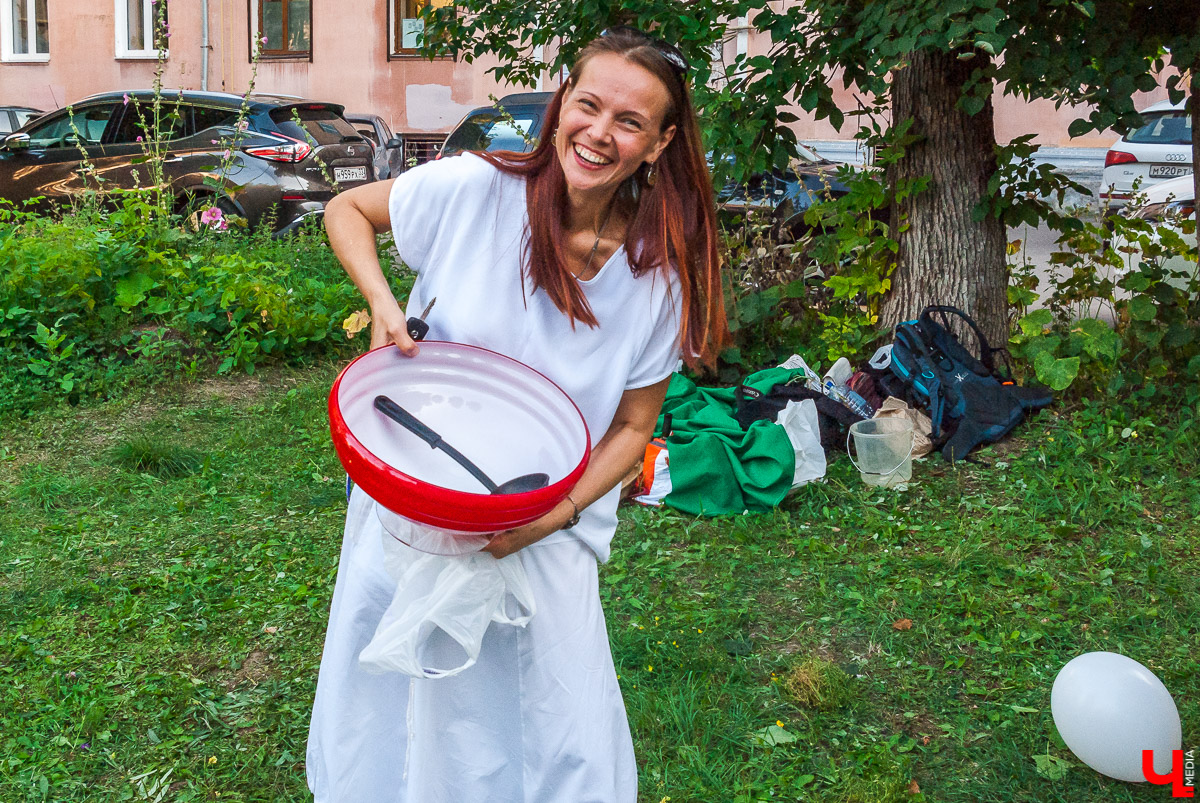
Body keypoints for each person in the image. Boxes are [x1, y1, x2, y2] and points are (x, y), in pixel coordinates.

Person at [306, 27, 728, 803]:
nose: (599, 132)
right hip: (414, 501)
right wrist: (381, 303)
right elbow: (346, 211)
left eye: (629, 121)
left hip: (541, 527)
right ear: (562, 101)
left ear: (661, 143)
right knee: (396, 695)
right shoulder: (474, 190)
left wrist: (559, 512)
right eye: (588, 104)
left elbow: (634, 427)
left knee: (548, 720)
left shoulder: (658, 275)